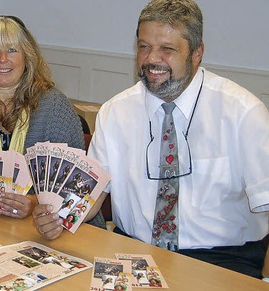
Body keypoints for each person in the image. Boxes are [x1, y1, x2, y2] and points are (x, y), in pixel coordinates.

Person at [86, 0, 269, 278]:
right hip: (132, 252)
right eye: (144, 46)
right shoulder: (115, 112)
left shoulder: (243, 113)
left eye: (167, 49)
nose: (151, 59)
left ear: (197, 53)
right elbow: (90, 195)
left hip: (222, 261)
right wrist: (56, 214)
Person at [0, 15, 104, 228]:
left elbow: (75, 185)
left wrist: (34, 204)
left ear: (27, 57)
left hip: (47, 229)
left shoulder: (55, 108)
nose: (3, 59)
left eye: (12, 50)